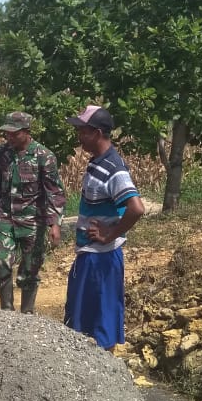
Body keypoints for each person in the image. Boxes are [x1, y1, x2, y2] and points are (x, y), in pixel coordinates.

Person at [63, 105, 145, 351]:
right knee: (82, 321)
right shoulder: (98, 163)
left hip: (102, 258)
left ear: (97, 133)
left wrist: (110, 233)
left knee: (102, 323)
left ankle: (105, 378)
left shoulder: (114, 168)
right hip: (90, 255)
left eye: (83, 131)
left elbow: (136, 208)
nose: (79, 136)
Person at [0, 111, 67, 313]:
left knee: (30, 270)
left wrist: (54, 224)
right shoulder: (1, 154)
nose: (9, 137)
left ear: (27, 132)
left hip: (32, 220)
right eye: (7, 134)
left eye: (14, 133)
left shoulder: (44, 157)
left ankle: (27, 315)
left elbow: (54, 192)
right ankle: (7, 312)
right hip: (5, 217)